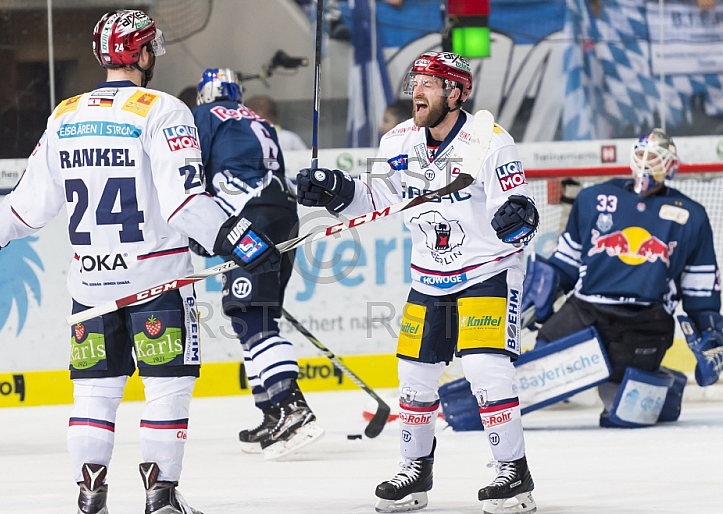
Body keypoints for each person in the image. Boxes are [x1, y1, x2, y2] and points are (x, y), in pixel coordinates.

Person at [0, 10, 280, 514]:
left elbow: (25, 210)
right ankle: (161, 495)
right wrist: (242, 239)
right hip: (157, 283)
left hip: (91, 287)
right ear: (142, 54)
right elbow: (185, 205)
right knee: (166, 390)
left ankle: (89, 494)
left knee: (94, 396)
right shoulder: (163, 110)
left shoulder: (65, 113)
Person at [296, 51, 539, 514]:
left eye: (430, 82)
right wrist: (333, 188)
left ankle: (514, 473)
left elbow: (519, 209)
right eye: (417, 81)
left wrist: (517, 216)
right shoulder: (398, 140)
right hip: (430, 276)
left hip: (488, 270)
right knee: (413, 376)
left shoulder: (490, 141)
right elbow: (374, 197)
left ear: (456, 92)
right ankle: (414, 471)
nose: (418, 90)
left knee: (486, 369)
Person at [522, 129, 723, 423]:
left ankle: (661, 389)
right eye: (641, 154)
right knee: (539, 362)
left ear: (671, 166)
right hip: (585, 310)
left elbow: (700, 292)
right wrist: (543, 288)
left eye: (654, 157)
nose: (646, 163)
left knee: (623, 415)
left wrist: (711, 336)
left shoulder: (691, 216)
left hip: (645, 322)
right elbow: (566, 261)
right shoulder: (593, 198)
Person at [191, 69, 324, 460]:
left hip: (247, 220)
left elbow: (192, 175)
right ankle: (271, 410)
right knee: (250, 315)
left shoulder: (203, 116)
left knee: (252, 316)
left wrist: (200, 230)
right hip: (282, 213)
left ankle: (292, 407)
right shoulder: (258, 119)